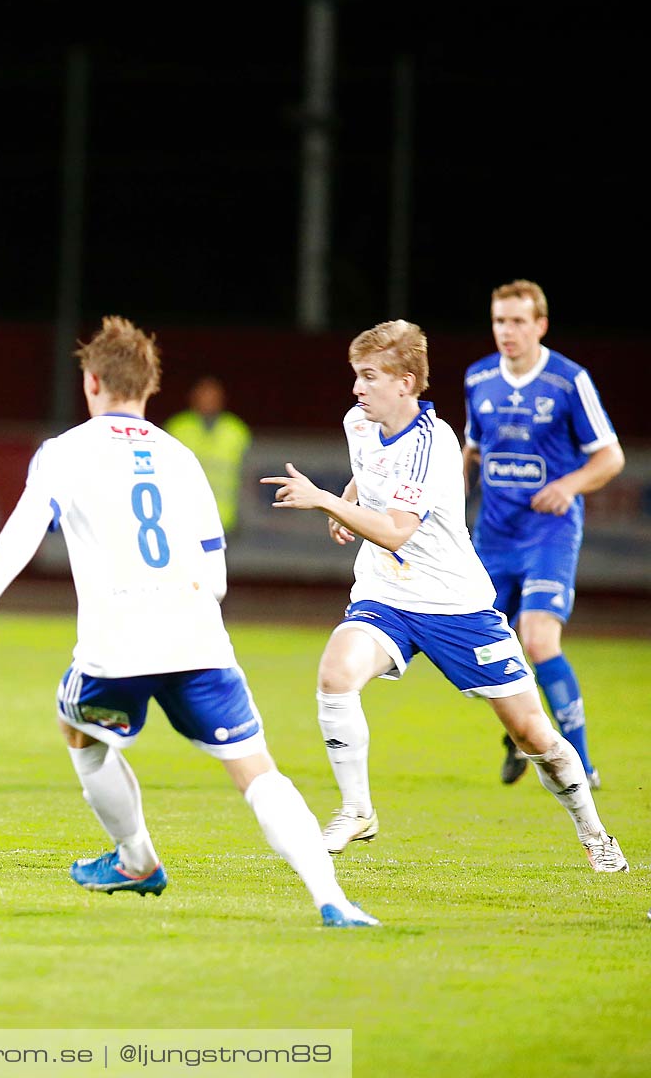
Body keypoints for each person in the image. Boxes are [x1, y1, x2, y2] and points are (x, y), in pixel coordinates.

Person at [0, 316, 377, 927]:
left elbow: (25, 525)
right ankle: (332, 899)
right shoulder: (181, 456)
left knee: (82, 736)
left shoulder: (65, 452)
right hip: (198, 637)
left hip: (117, 645)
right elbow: (218, 574)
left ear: (92, 382)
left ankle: (136, 859)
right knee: (256, 771)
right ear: (150, 389)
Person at [262, 320, 626, 873]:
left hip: (456, 605)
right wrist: (346, 496)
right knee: (336, 673)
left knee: (532, 732)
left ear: (406, 382)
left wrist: (324, 503)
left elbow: (395, 531)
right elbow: (369, 472)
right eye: (355, 375)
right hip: (386, 593)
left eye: (369, 377)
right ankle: (357, 808)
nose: (357, 388)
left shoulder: (436, 444)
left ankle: (595, 834)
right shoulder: (357, 422)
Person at [462, 281, 623, 789]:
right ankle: (521, 735)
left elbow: (610, 456)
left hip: (549, 535)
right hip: (494, 536)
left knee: (537, 637)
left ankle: (582, 764)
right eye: (498, 321)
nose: (506, 332)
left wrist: (570, 484)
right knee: (488, 651)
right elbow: (471, 452)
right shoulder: (478, 378)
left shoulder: (568, 381)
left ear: (540, 325)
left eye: (517, 322)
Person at [163, 375, 253, 535]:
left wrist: (244, 513)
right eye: (203, 395)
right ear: (193, 398)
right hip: (185, 516)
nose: (208, 400)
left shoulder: (236, 430)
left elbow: (247, 476)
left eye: (213, 396)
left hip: (224, 518)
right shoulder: (178, 427)